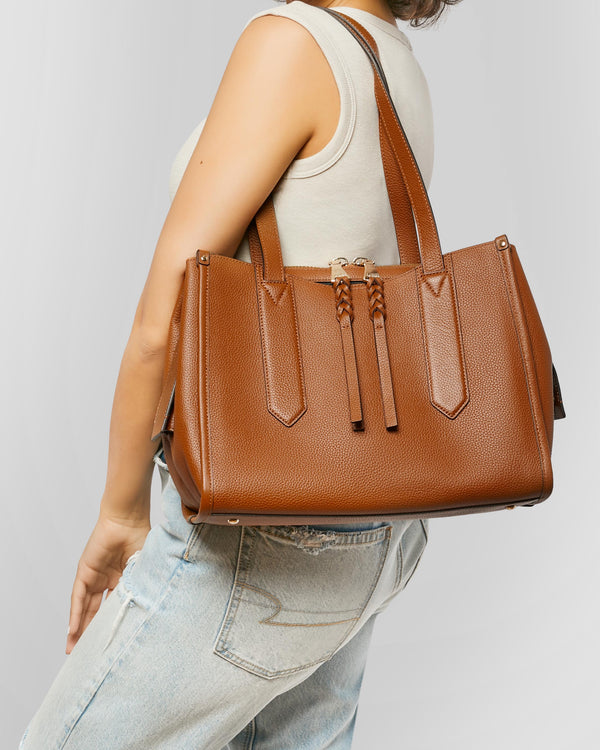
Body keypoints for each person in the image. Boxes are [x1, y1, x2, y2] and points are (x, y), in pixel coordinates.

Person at [18, 1, 461, 747]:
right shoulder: (392, 60)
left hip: (265, 528)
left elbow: (165, 317)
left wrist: (121, 513)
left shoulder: (292, 44)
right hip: (375, 524)